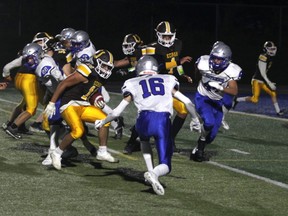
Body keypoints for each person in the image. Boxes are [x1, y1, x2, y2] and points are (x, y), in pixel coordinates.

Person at [95, 55, 199, 195]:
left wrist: (103, 122)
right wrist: (195, 119)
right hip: (161, 120)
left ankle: (150, 170)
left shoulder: (132, 82)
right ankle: (154, 173)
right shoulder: (167, 79)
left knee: (144, 141)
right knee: (166, 165)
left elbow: (117, 111)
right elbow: (187, 102)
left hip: (142, 121)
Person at [44, 49, 119, 170]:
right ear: (96, 62)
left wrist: (96, 97)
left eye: (109, 67)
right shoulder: (86, 70)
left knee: (105, 120)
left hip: (83, 104)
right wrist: (52, 103)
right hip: (69, 104)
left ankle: (102, 151)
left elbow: (89, 90)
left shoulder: (101, 76)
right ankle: (57, 153)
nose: (106, 70)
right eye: (104, 66)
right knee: (78, 131)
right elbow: (64, 84)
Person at [143, 21, 201, 152]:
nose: (167, 39)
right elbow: (158, 67)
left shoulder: (178, 44)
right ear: (158, 35)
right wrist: (178, 62)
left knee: (182, 110)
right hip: (157, 85)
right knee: (149, 114)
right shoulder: (152, 48)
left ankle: (170, 138)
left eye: (169, 36)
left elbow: (177, 64)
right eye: (164, 36)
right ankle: (132, 141)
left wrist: (182, 74)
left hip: (171, 83)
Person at [190, 43, 242, 162]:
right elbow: (197, 71)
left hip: (218, 101)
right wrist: (200, 80)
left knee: (212, 136)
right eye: (214, 58)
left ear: (227, 60)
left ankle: (198, 147)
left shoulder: (232, 70)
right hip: (203, 97)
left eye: (220, 59)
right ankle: (200, 148)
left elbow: (234, 91)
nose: (216, 61)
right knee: (208, 122)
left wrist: (221, 88)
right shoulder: (203, 63)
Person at [114, 33, 146, 154]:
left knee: (143, 114)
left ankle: (132, 143)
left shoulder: (142, 52)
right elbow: (118, 63)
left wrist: (127, 70)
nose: (127, 48)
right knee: (142, 114)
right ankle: (135, 139)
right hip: (142, 84)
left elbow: (139, 66)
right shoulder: (133, 54)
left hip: (150, 84)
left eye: (129, 45)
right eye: (125, 46)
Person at [233, 41, 284, 116]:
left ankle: (278, 111)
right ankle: (237, 100)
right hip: (256, 80)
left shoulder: (269, 58)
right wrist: (269, 82)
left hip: (262, 81)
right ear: (265, 49)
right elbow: (263, 73)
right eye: (270, 49)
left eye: (273, 49)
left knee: (273, 93)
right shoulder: (263, 57)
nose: (272, 50)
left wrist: (269, 82)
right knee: (255, 100)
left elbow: (264, 74)